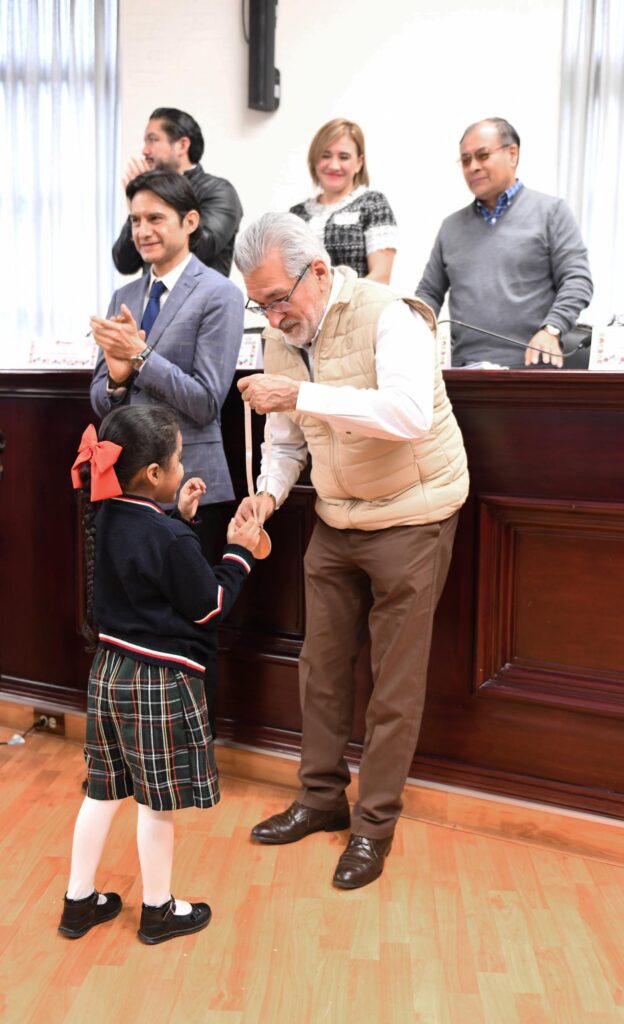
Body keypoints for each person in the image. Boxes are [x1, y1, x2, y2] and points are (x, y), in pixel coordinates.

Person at [233, 213, 469, 890]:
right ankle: (318, 798)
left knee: (393, 686)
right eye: (261, 303)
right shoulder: (285, 333)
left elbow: (406, 414)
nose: (274, 315)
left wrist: (301, 393)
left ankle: (373, 828)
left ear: (317, 272)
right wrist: (269, 497)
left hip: (413, 514)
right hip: (337, 517)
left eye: (280, 298)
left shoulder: (391, 314)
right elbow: (285, 441)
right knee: (322, 668)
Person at [59, 404, 260, 944]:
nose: (181, 465)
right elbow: (208, 603)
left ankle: (78, 902)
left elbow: (146, 562)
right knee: (155, 802)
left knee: (101, 792)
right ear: (154, 475)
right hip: (158, 683)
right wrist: (238, 553)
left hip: (108, 672)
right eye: (178, 459)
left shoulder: (110, 514)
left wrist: (182, 515)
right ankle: (158, 909)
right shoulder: (170, 540)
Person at [91, 169, 243, 568]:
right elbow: (101, 399)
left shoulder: (220, 294)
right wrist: (118, 378)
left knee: (187, 616)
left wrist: (141, 357)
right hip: (126, 485)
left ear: (190, 221)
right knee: (131, 613)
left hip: (190, 484)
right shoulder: (123, 296)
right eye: (135, 220)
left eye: (155, 218)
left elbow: (206, 401)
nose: (142, 231)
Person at [415, 117, 593, 368]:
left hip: (534, 370)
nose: (473, 167)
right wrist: (411, 331)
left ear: (512, 154)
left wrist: (552, 329)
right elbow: (428, 294)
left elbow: (577, 280)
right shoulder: (451, 227)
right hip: (465, 373)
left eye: (482, 155)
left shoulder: (552, 212)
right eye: (465, 160)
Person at [112, 107, 243, 278]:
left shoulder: (219, 190)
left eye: (153, 140)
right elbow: (123, 263)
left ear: (182, 145)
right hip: (153, 301)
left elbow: (202, 249)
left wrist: (157, 196)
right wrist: (138, 208)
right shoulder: (148, 195)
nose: (145, 151)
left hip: (203, 302)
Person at [289, 118, 398, 284]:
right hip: (302, 310)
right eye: (325, 155)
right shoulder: (296, 215)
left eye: (344, 157)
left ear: (359, 163)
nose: (333, 165)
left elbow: (380, 277)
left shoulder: (373, 205)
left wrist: (338, 303)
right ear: (314, 160)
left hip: (356, 308)